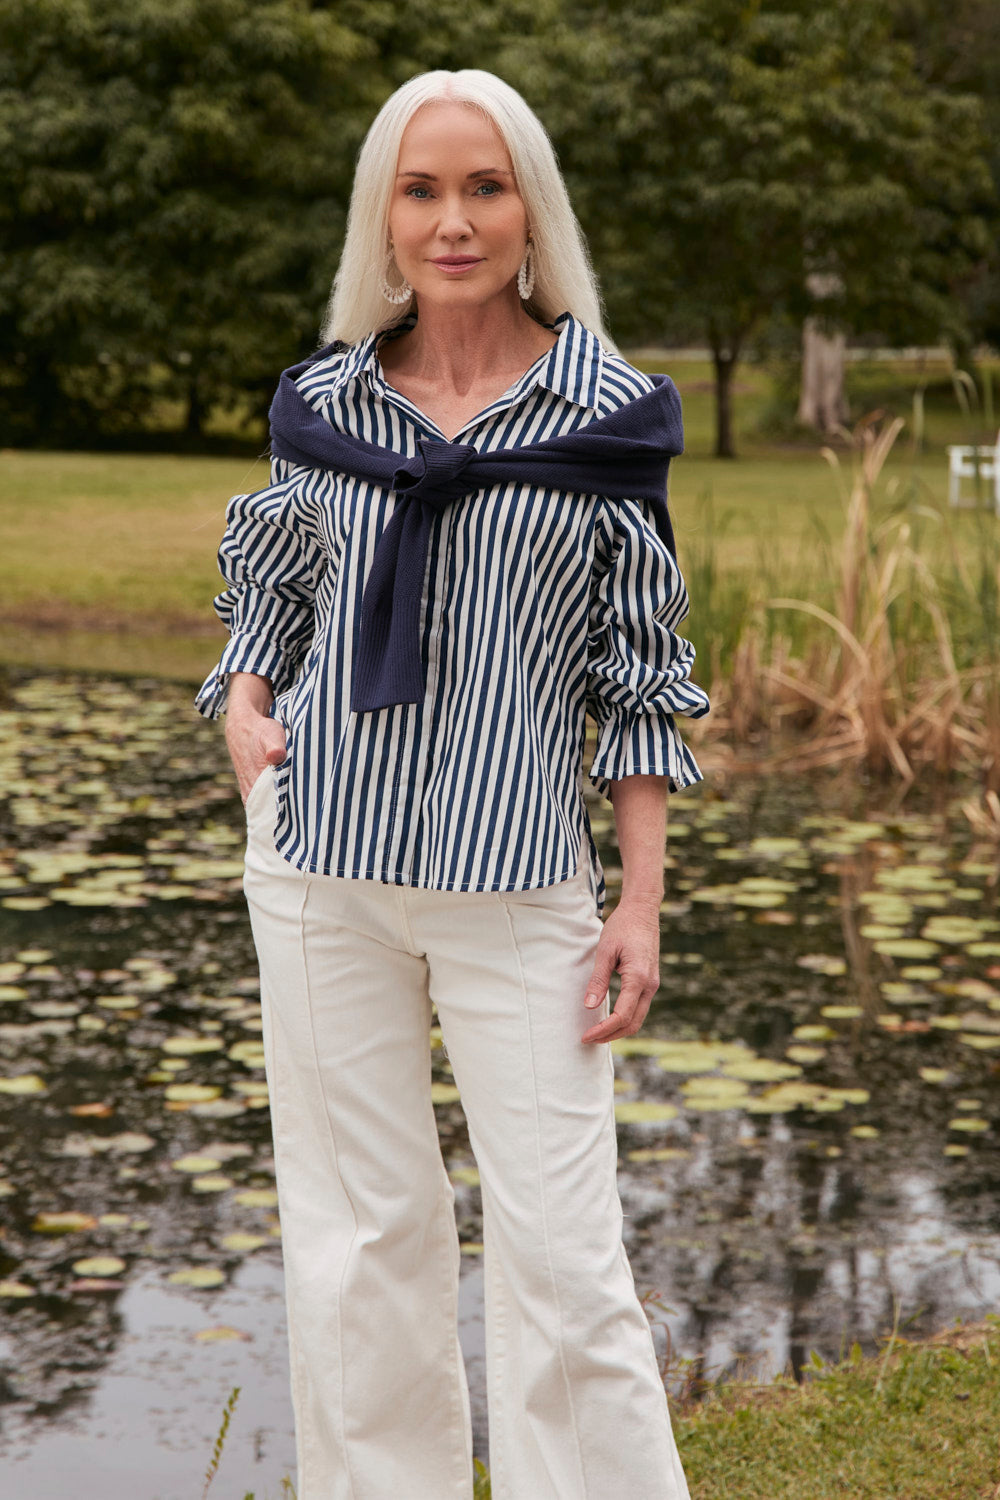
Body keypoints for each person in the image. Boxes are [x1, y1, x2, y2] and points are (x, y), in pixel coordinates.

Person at [194, 66, 709, 1500]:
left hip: (519, 885)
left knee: (565, 1258)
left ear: (531, 208)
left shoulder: (606, 416)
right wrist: (242, 694)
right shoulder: (328, 399)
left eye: (484, 187)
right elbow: (274, 594)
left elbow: (640, 676)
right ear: (386, 215)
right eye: (422, 190)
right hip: (318, 866)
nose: (454, 220)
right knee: (359, 1242)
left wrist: (642, 902)